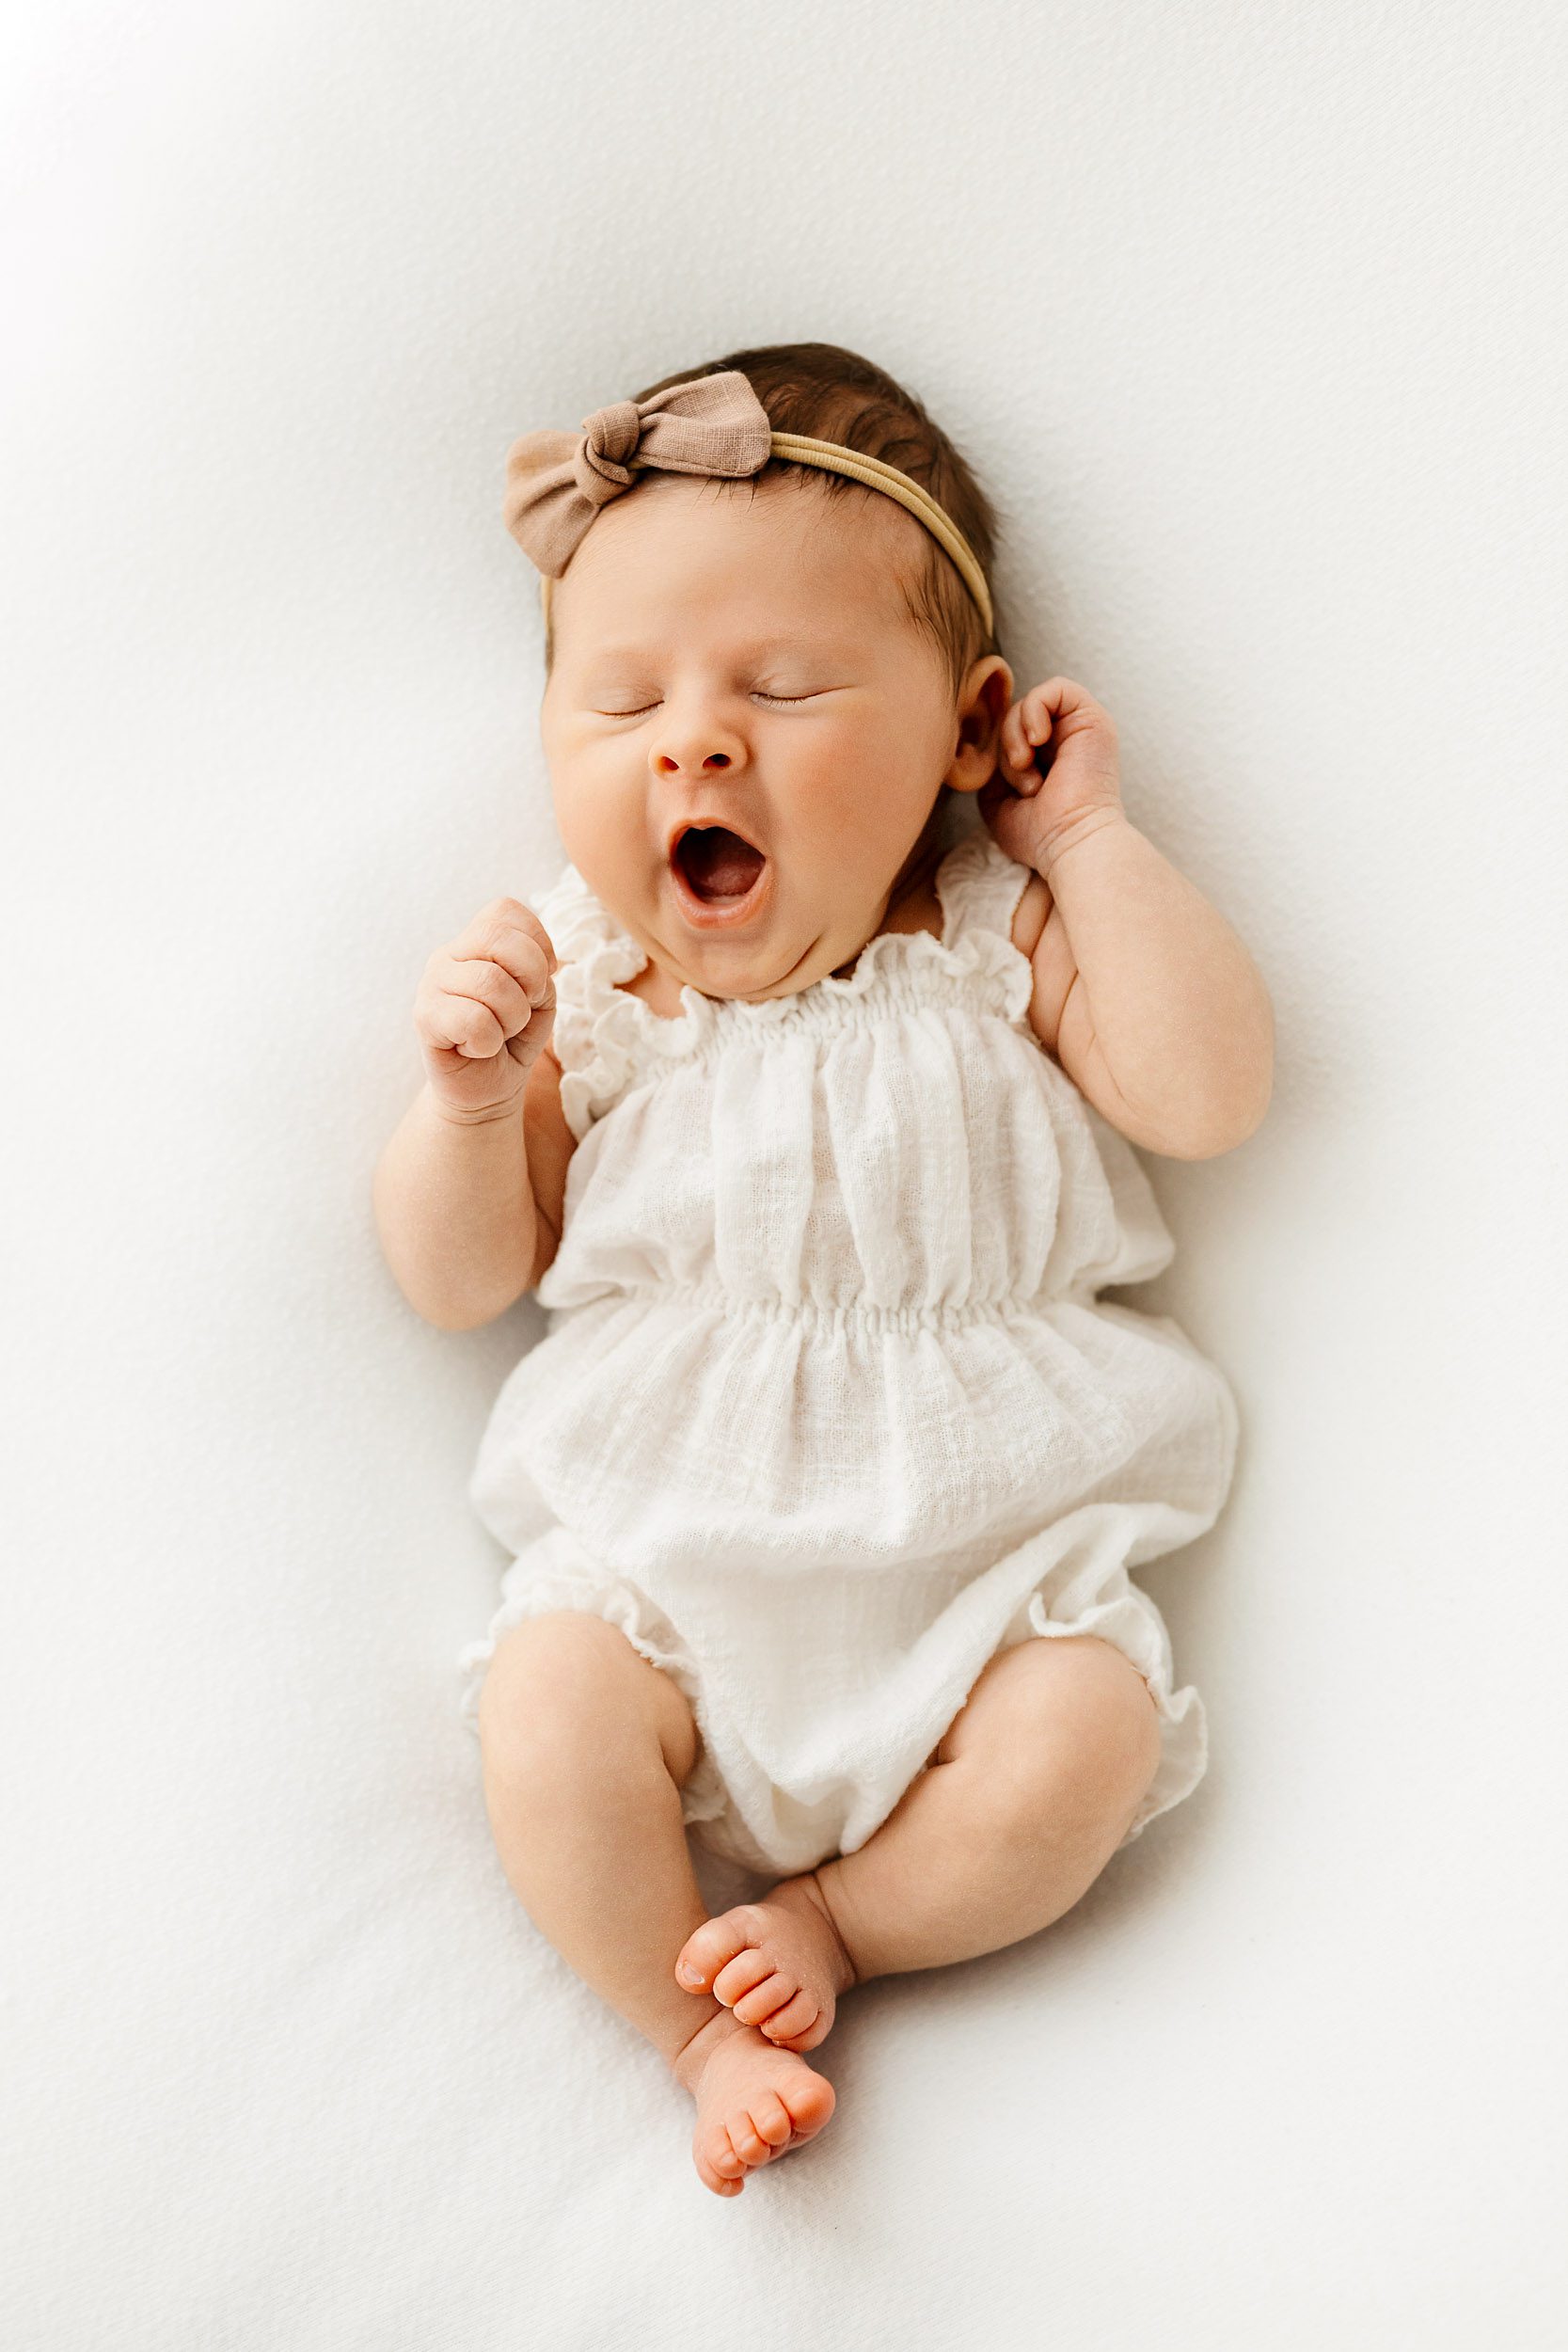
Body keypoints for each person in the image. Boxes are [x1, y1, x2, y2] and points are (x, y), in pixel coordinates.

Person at [372, 342, 1275, 2198]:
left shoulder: (991, 942)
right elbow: (462, 1281)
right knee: (541, 1707)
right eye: (620, 702)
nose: (696, 738)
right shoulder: (589, 990)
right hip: (666, 1590)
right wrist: (468, 1109)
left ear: (967, 723)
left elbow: (1209, 1092)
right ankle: (688, 2022)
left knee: (1086, 1737)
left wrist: (1086, 843)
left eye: (784, 687)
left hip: (987, 1592)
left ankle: (847, 1924)